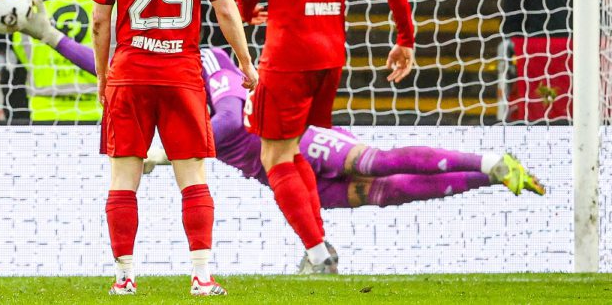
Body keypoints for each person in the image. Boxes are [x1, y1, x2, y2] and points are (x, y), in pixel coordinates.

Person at [29, 32, 548, 208]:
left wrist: (167, 154)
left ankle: (488, 156)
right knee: (386, 194)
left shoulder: (209, 58)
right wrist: (49, 36)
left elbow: (232, 122)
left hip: (294, 140)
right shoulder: (161, 69)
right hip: (272, 173)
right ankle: (491, 175)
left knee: (381, 162)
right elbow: (109, 64)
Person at [234, 0, 415, 274]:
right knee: (295, 152)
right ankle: (318, 248)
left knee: (272, 157)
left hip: (288, 55)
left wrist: (241, 27)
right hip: (331, 55)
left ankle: (318, 254)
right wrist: (405, 38)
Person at [87, 0, 256, 296]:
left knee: (124, 178)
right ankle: (201, 275)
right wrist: (245, 61)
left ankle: (124, 278)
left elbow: (100, 20)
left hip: (130, 72)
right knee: (193, 177)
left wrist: (104, 75)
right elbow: (225, 8)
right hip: (181, 73)